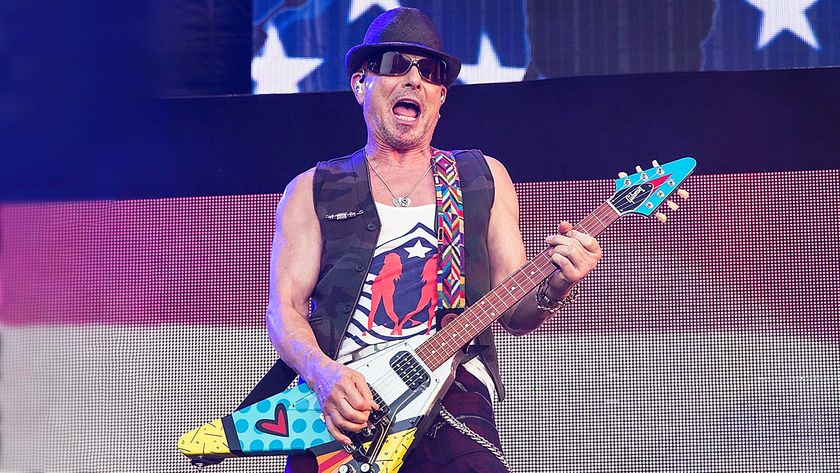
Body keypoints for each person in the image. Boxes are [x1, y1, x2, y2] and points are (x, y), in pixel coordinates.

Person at [266, 7, 602, 472]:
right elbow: (284, 309)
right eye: (394, 65)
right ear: (361, 85)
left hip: (452, 395)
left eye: (429, 71)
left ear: (441, 96)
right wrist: (324, 376)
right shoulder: (313, 187)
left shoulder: (483, 177)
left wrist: (560, 283)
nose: (413, 79)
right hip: (344, 406)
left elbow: (518, 316)